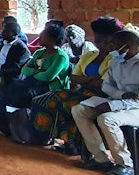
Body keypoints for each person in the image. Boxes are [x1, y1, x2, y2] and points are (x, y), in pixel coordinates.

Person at [71, 28, 139, 175]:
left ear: (128, 45)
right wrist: (121, 96)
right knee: (79, 110)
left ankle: (125, 164)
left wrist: (115, 105)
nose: (111, 48)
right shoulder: (117, 61)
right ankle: (100, 159)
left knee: (107, 119)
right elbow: (106, 86)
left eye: (114, 44)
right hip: (119, 103)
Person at [30, 17, 124, 155]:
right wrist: (91, 79)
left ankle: (74, 145)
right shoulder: (89, 56)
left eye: (106, 41)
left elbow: (103, 84)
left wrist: (85, 79)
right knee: (43, 100)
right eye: (98, 40)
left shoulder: (116, 59)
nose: (101, 44)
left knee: (70, 105)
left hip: (104, 96)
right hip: (83, 92)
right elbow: (73, 77)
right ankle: (45, 137)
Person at [0, 23, 70, 141]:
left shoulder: (60, 57)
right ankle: (9, 127)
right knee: (5, 91)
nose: (39, 38)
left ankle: (28, 133)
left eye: (42, 36)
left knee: (20, 95)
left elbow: (48, 77)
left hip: (51, 89)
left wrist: (34, 72)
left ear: (52, 39)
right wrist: (37, 71)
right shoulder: (39, 53)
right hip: (34, 84)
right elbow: (25, 69)